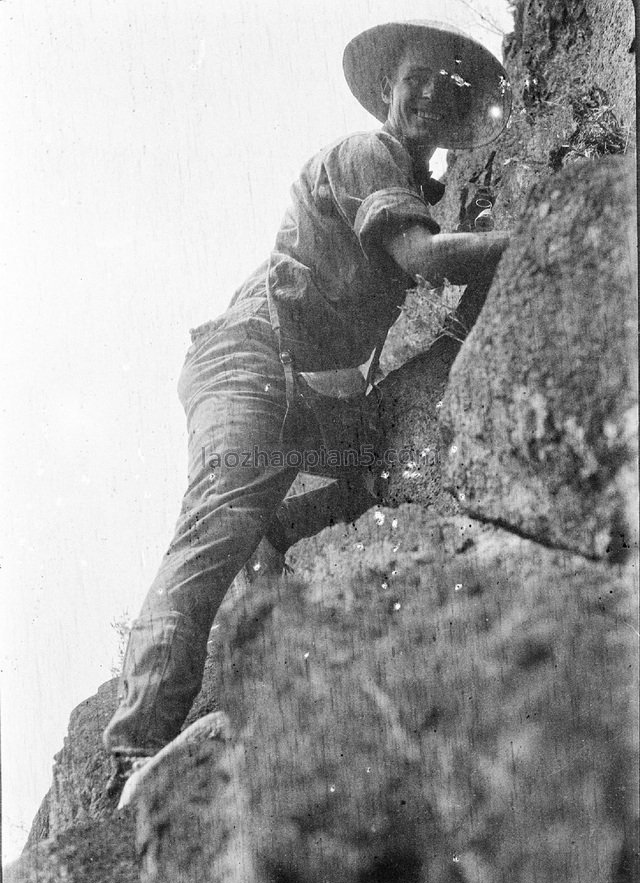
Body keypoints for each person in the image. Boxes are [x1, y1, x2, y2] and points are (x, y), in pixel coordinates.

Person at [103, 20, 512, 794]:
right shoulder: (368, 156)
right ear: (389, 87)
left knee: (391, 454)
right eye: (413, 76)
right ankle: (133, 748)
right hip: (248, 362)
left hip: (301, 394)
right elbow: (424, 259)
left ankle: (275, 532)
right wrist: (532, 236)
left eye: (448, 85)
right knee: (216, 524)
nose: (428, 92)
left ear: (459, 113)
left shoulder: (412, 186)